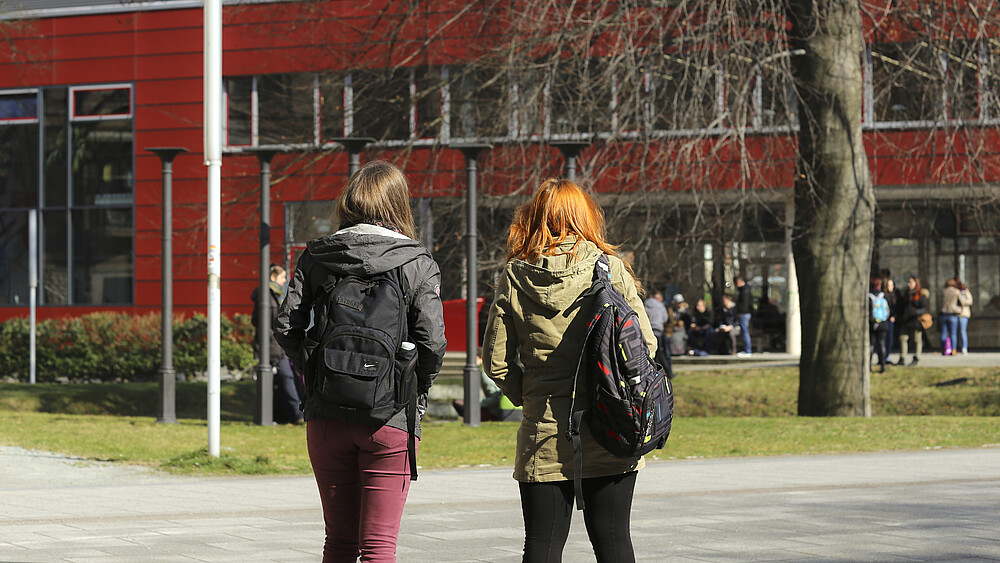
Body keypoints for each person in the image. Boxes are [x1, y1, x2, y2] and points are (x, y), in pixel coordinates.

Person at [273, 160, 447, 563]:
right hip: (390, 415)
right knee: (379, 548)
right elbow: (433, 342)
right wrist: (414, 387)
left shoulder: (317, 254)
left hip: (326, 414)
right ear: (398, 204)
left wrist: (317, 369)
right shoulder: (416, 261)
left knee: (338, 543)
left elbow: (286, 325)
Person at [482, 178, 653, 563]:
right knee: (614, 542)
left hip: (544, 430)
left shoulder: (514, 275)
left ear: (535, 219)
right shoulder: (610, 270)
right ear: (585, 217)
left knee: (541, 546)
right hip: (612, 423)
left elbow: (496, 362)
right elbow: (647, 347)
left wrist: (531, 397)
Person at [251, 264, 303, 425]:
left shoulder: (275, 294)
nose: (284, 281)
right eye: (282, 277)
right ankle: (296, 414)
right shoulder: (267, 295)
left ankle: (281, 415)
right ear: (273, 276)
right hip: (274, 344)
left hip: (276, 342)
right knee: (286, 377)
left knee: (279, 381)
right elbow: (261, 322)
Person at [897, 275, 928, 366]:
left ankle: (916, 357)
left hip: (916, 321)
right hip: (906, 320)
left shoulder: (920, 295)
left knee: (917, 339)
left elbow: (924, 308)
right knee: (903, 338)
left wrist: (915, 312)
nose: (909, 284)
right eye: (908, 282)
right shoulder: (906, 294)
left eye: (911, 282)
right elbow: (901, 306)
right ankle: (902, 357)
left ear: (916, 283)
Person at [643, 291, 672, 371]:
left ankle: (652, 371)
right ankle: (668, 372)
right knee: (660, 353)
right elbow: (665, 318)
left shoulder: (645, 305)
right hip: (658, 330)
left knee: (649, 353)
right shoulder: (661, 306)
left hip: (648, 331)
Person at [868, 277, 889, 373]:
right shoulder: (884, 296)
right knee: (882, 344)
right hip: (883, 323)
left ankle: (869, 366)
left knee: (871, 345)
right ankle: (883, 366)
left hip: (872, 323)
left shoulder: (869, 297)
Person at [939, 278, 962, 356]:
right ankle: (953, 350)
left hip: (943, 314)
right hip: (953, 314)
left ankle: (943, 349)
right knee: (953, 334)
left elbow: (940, 302)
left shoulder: (943, 291)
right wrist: (959, 309)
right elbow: (961, 302)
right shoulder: (956, 291)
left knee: (943, 333)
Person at [734, 277, 753, 357]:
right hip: (745, 313)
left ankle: (747, 350)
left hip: (743, 313)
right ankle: (747, 350)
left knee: (744, 332)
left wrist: (740, 312)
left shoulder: (744, 291)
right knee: (744, 331)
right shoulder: (746, 290)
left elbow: (744, 304)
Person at [956, 277, 973, 355]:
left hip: (963, 314)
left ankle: (964, 348)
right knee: (954, 332)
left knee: (962, 331)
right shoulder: (954, 292)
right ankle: (953, 348)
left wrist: (962, 300)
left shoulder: (965, 291)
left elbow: (970, 301)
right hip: (956, 314)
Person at [884, 278, 900, 356]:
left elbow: (896, 308)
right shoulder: (884, 296)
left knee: (890, 339)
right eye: (889, 285)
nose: (891, 287)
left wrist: (894, 316)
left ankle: (887, 356)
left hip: (891, 319)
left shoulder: (895, 295)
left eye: (892, 285)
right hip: (884, 319)